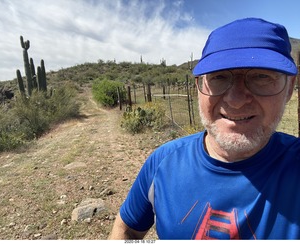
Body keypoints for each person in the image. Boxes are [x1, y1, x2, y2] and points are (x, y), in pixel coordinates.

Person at [108, 18, 300, 240]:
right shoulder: (164, 162)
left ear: (289, 88)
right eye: (219, 77)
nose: (236, 100)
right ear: (198, 87)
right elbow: (127, 228)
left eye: (261, 76)